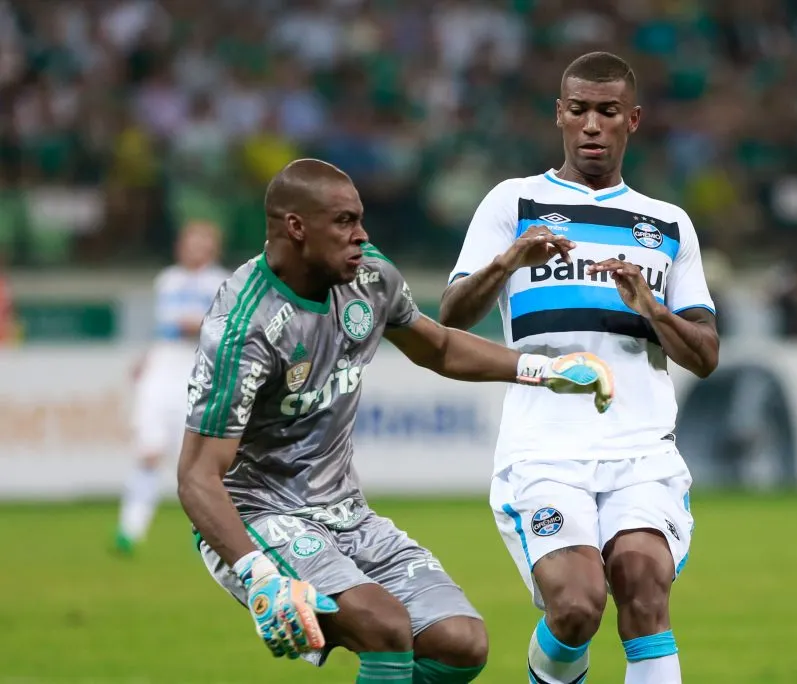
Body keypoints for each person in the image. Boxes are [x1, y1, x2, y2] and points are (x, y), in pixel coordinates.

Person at [177, 158, 614, 684]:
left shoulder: (369, 276)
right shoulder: (243, 326)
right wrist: (257, 573)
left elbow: (439, 347)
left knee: (460, 644)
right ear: (296, 227)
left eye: (360, 219)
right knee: (383, 627)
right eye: (344, 222)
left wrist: (543, 369)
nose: (361, 235)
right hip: (259, 519)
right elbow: (197, 476)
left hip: (346, 513)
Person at [439, 52, 719, 684]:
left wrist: (651, 307)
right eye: (579, 110)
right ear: (559, 115)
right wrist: (508, 262)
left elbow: (705, 354)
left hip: (641, 451)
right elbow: (452, 316)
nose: (593, 125)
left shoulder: (668, 224)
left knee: (644, 587)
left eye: (608, 111)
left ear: (632, 120)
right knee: (575, 608)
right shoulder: (514, 202)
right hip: (545, 452)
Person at [115, 220, 229, 554]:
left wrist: (198, 325)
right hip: (160, 371)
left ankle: (209, 532)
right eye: (189, 242)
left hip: (195, 373)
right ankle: (130, 530)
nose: (193, 248)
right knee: (148, 452)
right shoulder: (167, 280)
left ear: (212, 248)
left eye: (201, 242)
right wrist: (146, 357)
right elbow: (165, 328)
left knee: (194, 463)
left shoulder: (223, 283)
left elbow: (223, 329)